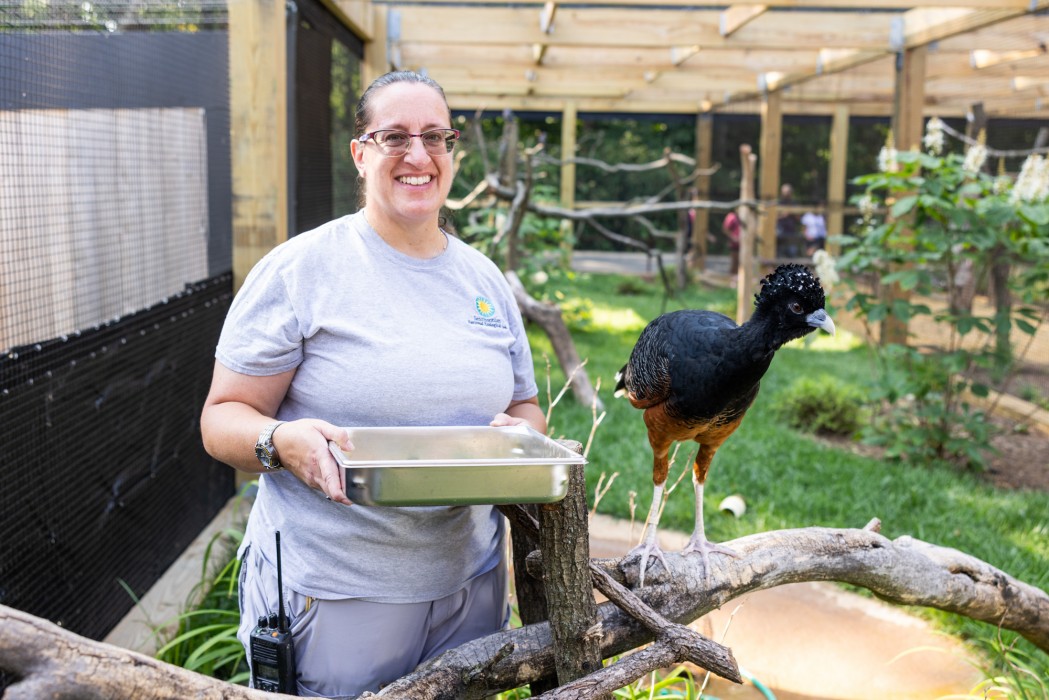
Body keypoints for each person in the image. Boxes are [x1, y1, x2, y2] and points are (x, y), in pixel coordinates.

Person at [200, 70, 546, 698]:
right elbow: (222, 417)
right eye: (395, 137)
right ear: (360, 153)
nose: (419, 155)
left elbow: (524, 404)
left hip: (470, 585)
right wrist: (280, 441)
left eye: (436, 137)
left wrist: (521, 437)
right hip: (336, 594)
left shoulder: (484, 280)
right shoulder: (303, 269)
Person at [720, 209, 741, 275]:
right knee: (735, 262)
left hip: (743, 244)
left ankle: (737, 278)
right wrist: (733, 238)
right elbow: (725, 229)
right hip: (734, 244)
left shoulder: (743, 218)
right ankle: (732, 278)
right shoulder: (732, 217)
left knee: (740, 263)